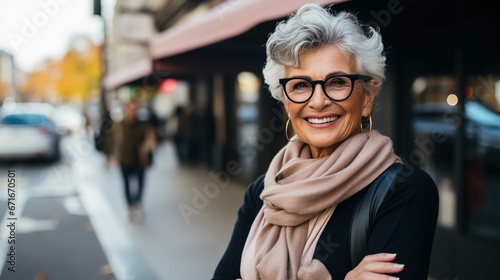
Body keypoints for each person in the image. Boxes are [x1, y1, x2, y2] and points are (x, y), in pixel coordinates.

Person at [213, 4, 439, 280]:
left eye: (337, 82)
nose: (318, 101)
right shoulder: (263, 192)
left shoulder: (404, 191)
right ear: (285, 102)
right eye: (300, 85)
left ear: (367, 97)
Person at [107, 99, 156, 223]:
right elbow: (112, 141)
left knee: (140, 183)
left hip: (140, 159)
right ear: (126, 110)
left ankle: (137, 205)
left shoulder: (144, 124)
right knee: (126, 184)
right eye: (130, 108)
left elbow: (151, 138)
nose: (132, 111)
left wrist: (149, 144)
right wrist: (110, 156)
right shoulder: (119, 125)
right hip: (125, 159)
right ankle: (130, 206)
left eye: (135, 109)